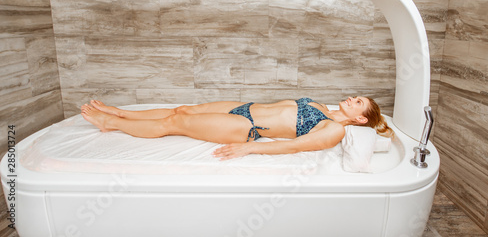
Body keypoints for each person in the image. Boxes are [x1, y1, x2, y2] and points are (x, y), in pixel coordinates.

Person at [80, 96, 393, 160]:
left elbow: (295, 146)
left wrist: (250, 147)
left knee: (174, 124)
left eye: (358, 102)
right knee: (182, 109)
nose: (352, 98)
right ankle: (120, 113)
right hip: (244, 106)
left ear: (360, 120)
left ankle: (110, 124)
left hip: (246, 125)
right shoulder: (323, 107)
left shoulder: (333, 129)